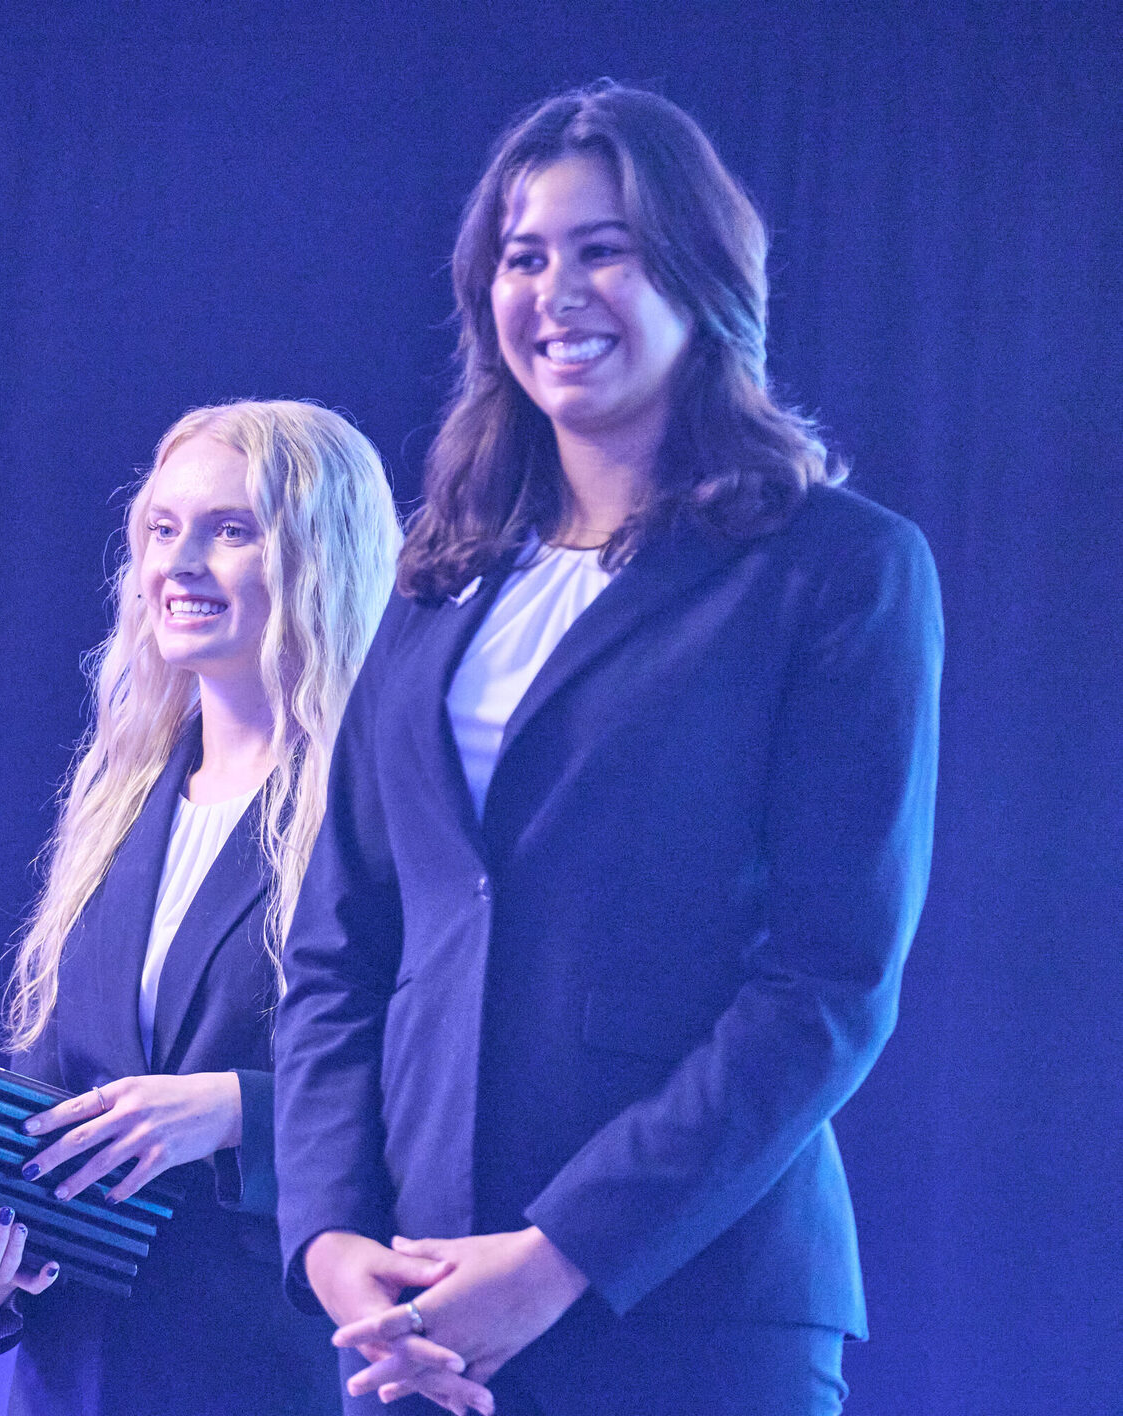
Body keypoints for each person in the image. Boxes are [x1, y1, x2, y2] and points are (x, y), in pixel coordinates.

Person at [273, 82, 943, 1416]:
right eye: (523, 257)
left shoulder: (838, 569)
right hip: (419, 1315)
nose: (556, 292)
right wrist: (333, 1242)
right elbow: (342, 950)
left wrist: (560, 1255)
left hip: (692, 1301)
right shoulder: (437, 585)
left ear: (701, 276)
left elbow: (828, 980)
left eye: (605, 249)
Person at [0, 401, 406, 1415]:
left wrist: (237, 1111)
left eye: (231, 530)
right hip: (78, 1380)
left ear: (324, 558)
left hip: (276, 1376)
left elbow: (440, 1098)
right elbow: (53, 1101)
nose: (181, 563)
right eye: (163, 530)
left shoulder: (387, 805)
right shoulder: (119, 806)